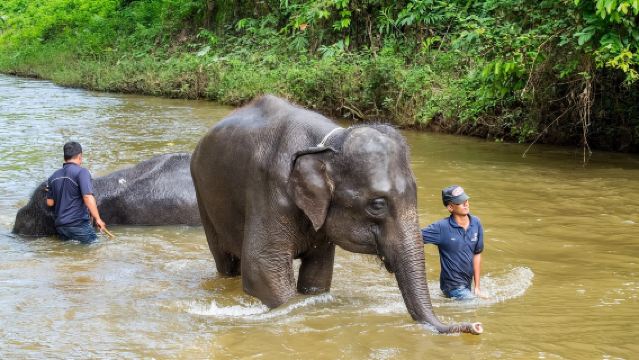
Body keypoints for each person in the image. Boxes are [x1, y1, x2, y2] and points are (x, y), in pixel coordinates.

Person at [421, 185, 484, 300]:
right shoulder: (441, 228)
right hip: (452, 286)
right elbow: (413, 238)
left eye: (466, 200)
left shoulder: (476, 222)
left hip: (466, 285)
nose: (466, 204)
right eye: (460, 202)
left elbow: (477, 254)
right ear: (450, 207)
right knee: (477, 305)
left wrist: (477, 287)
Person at [46, 141, 106, 243]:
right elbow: (87, 196)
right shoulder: (82, 172)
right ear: (80, 156)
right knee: (96, 248)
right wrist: (98, 219)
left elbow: (49, 203)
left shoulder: (53, 176)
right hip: (78, 225)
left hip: (61, 227)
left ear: (65, 157)